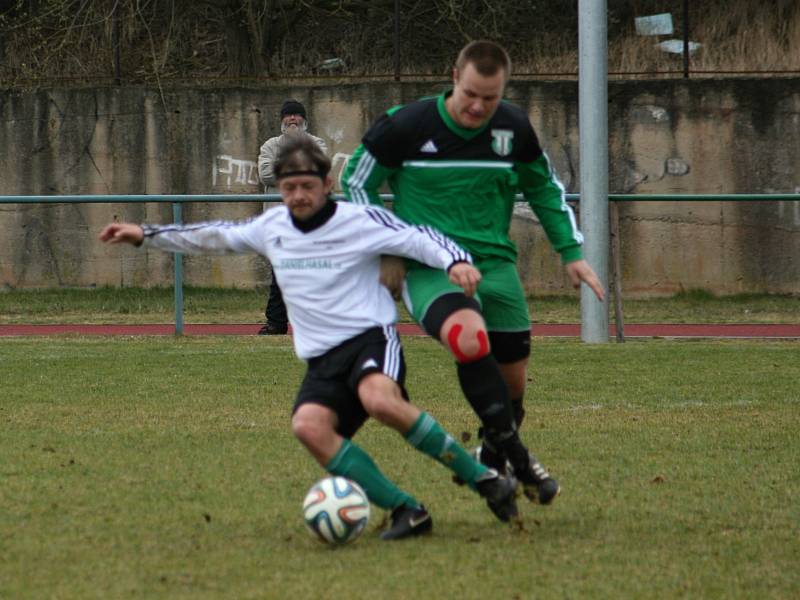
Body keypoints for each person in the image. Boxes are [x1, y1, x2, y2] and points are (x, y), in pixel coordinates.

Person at [99, 134, 518, 541]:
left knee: (380, 400)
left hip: (370, 338)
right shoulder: (272, 227)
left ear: (327, 184)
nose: (298, 195)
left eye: (306, 186)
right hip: (323, 359)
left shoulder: (360, 220)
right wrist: (146, 236)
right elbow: (215, 235)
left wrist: (456, 261)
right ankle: (407, 509)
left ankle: (482, 478)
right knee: (308, 427)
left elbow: (420, 238)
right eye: (289, 187)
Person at [342, 40, 605, 506]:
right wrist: (386, 248)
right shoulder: (405, 125)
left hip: (495, 266)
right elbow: (356, 183)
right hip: (429, 267)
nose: (479, 106)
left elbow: (543, 188)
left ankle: (491, 450)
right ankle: (521, 461)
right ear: (454, 78)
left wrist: (571, 250)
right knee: (469, 338)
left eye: (491, 97)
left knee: (513, 386)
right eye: (470, 94)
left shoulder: (513, 128)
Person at [257, 99, 329, 335]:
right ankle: (276, 323)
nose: (292, 120)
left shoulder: (317, 143)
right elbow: (266, 175)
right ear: (281, 120)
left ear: (304, 120)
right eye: (288, 116)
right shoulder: (269, 145)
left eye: (297, 116)